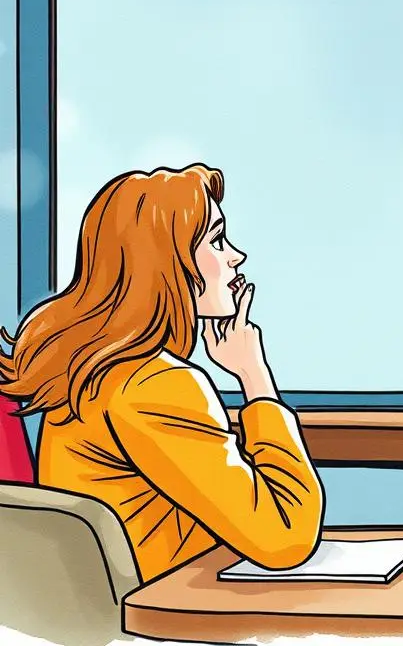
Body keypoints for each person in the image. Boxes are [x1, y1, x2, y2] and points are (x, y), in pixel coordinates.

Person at [0, 164, 324, 583]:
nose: (235, 256)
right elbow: (285, 539)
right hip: (165, 613)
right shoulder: (155, 384)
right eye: (216, 240)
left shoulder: (90, 371)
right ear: (166, 260)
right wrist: (254, 376)